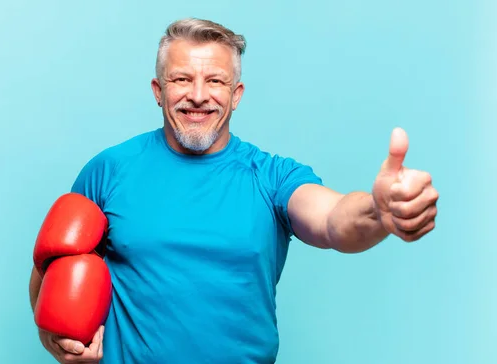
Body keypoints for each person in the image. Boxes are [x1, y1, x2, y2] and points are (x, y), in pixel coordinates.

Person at [28, 18, 439, 364]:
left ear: (236, 95)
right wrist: (56, 336)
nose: (199, 95)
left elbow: (333, 221)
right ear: (158, 91)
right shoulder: (109, 171)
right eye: (181, 79)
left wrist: (379, 212)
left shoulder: (271, 176)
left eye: (215, 81)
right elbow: (51, 263)